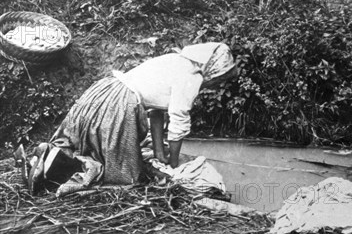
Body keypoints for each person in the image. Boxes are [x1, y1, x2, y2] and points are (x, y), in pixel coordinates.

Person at [22, 42, 238, 195]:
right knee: (125, 174)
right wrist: (173, 164)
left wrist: (160, 154)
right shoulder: (192, 77)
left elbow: (156, 112)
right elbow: (178, 123)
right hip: (119, 104)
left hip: (102, 92)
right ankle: (63, 169)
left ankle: (52, 155)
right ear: (213, 68)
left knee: (81, 141)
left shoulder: (175, 60)